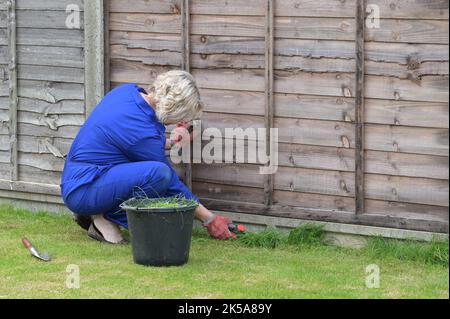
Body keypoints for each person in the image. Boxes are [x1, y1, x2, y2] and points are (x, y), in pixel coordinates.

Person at [61, 70, 235, 244]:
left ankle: (99, 211)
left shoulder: (128, 92)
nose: (178, 121)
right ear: (173, 107)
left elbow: (130, 139)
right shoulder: (141, 133)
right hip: (84, 189)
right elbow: (171, 183)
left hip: (82, 178)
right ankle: (105, 215)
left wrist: (172, 141)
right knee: (160, 174)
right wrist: (209, 219)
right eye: (181, 115)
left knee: (157, 180)